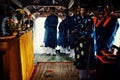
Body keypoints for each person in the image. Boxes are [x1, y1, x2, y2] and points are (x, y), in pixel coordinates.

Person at [72, 4, 95, 80]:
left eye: (83, 10)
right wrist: (75, 31)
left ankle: (85, 77)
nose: (82, 12)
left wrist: (78, 31)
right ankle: (81, 76)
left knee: (85, 61)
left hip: (86, 44)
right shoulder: (79, 18)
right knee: (80, 60)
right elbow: (74, 27)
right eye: (81, 10)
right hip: (78, 43)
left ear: (87, 11)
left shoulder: (90, 20)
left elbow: (90, 33)